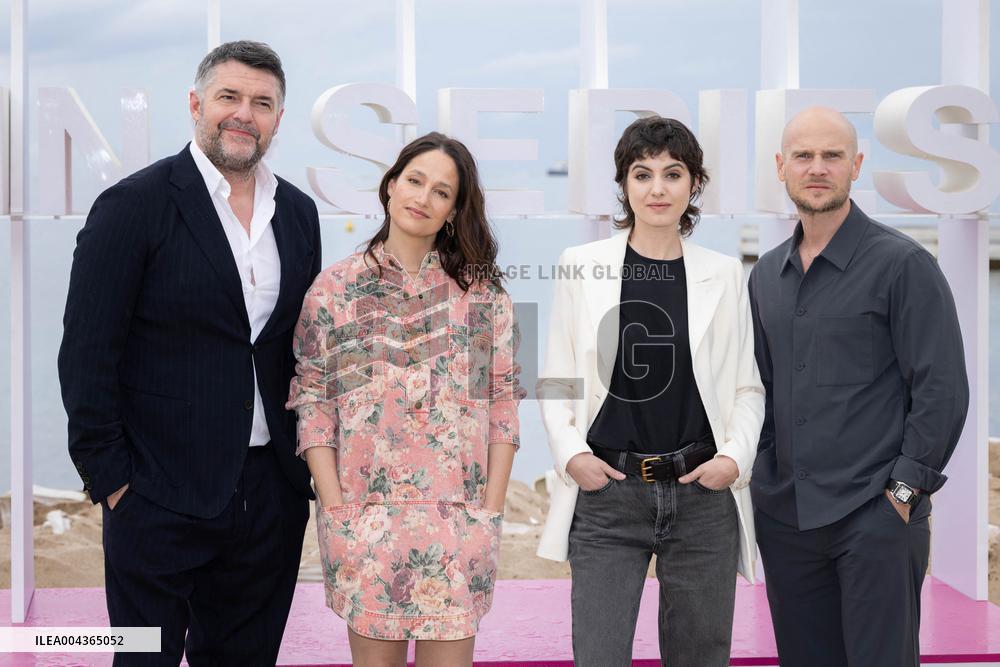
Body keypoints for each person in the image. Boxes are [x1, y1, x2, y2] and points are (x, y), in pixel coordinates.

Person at [58, 41, 321, 665]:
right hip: (156, 493)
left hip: (270, 496)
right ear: (197, 104)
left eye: (262, 103)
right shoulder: (134, 205)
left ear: (278, 119)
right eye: (229, 97)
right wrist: (113, 482)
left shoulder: (298, 213)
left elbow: (297, 348)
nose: (244, 114)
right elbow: (87, 353)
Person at [535, 116, 765, 666]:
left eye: (672, 173)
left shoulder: (724, 273)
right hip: (608, 495)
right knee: (599, 656)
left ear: (694, 184)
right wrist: (572, 456)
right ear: (624, 184)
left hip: (702, 494)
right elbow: (557, 379)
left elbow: (747, 386)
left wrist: (733, 460)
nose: (657, 189)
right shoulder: (580, 266)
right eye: (642, 174)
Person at [287, 132, 523, 667]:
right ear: (391, 185)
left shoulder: (482, 296)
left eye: (442, 191)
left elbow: (502, 404)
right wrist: (336, 510)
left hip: (458, 528)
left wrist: (490, 512)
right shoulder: (335, 290)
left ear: (454, 210)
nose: (423, 197)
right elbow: (314, 402)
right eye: (415, 180)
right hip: (365, 527)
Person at [748, 106, 970, 667]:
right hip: (788, 520)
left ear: (857, 165)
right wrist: (765, 483)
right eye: (803, 155)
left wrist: (902, 494)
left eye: (832, 155)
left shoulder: (902, 264)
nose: (817, 168)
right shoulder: (766, 275)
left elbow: (942, 389)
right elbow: (761, 388)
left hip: (875, 518)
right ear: (781, 167)